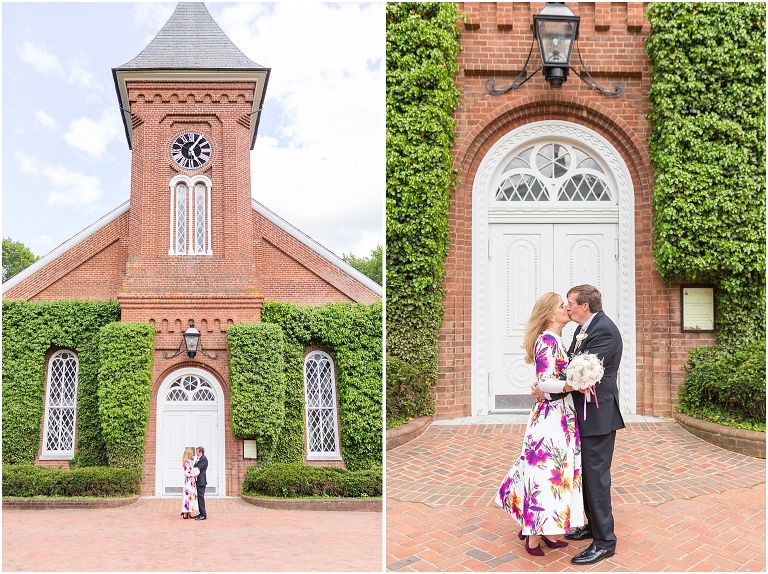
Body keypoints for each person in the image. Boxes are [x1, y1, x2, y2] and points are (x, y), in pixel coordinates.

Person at [534, 284, 624, 566]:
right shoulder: (581, 330)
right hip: (581, 414)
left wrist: (548, 390)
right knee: (585, 474)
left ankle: (605, 541)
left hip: (598, 416)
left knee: (596, 478)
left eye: (570, 303)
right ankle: (591, 526)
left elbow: (585, 376)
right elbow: (569, 369)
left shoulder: (604, 330)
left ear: (584, 306)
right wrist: (547, 387)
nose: (568, 307)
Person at [495, 292, 584, 557]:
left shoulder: (556, 339)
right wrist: (572, 385)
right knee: (544, 474)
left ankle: (542, 529)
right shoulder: (547, 341)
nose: (567, 308)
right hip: (551, 418)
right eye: (561, 306)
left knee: (549, 473)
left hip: (559, 413)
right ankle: (532, 535)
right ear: (549, 314)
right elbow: (545, 381)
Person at [180, 447, 199, 519]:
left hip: (192, 481)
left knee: (192, 496)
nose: (192, 455)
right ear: (188, 454)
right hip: (188, 482)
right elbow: (186, 473)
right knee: (187, 496)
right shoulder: (186, 463)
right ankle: (185, 512)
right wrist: (192, 475)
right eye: (191, 453)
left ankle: (189, 511)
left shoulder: (190, 462)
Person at [193, 446, 208, 520]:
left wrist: (191, 472)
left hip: (201, 481)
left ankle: (203, 514)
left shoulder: (203, 459)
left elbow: (197, 468)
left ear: (200, 452)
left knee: (201, 498)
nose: (196, 453)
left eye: (197, 451)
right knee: (199, 497)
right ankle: (201, 513)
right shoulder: (199, 458)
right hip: (198, 481)